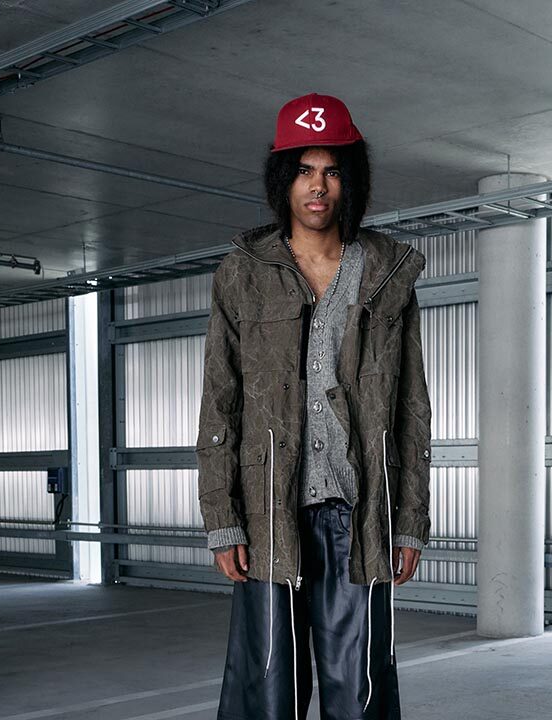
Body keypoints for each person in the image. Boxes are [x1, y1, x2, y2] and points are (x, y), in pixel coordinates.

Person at [196, 93, 432, 720]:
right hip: (271, 510)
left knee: (360, 689)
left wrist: (410, 520)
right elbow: (219, 402)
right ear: (284, 179)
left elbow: (412, 407)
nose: (318, 186)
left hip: (361, 513)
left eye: (331, 171)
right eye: (303, 170)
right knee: (268, 687)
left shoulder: (385, 275)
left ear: (350, 180)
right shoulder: (243, 273)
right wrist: (223, 519)